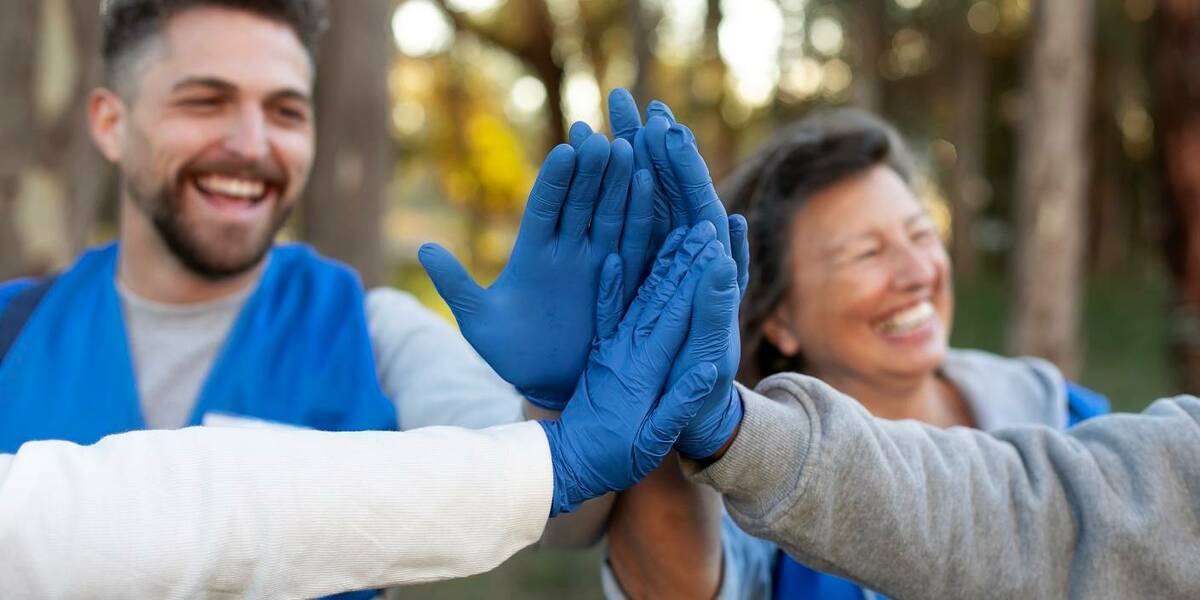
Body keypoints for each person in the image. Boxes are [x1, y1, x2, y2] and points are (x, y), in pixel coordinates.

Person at [1, 222, 746, 599]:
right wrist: (557, 459)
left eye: (286, 109)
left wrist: (552, 417)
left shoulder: (373, 327)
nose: (252, 141)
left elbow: (564, 524)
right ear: (110, 118)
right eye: (206, 100)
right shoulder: (15, 329)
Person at [603, 109, 1111, 599]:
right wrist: (663, 377)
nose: (916, 273)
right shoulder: (749, 496)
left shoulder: (1064, 415)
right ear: (780, 319)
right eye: (866, 253)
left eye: (921, 233)